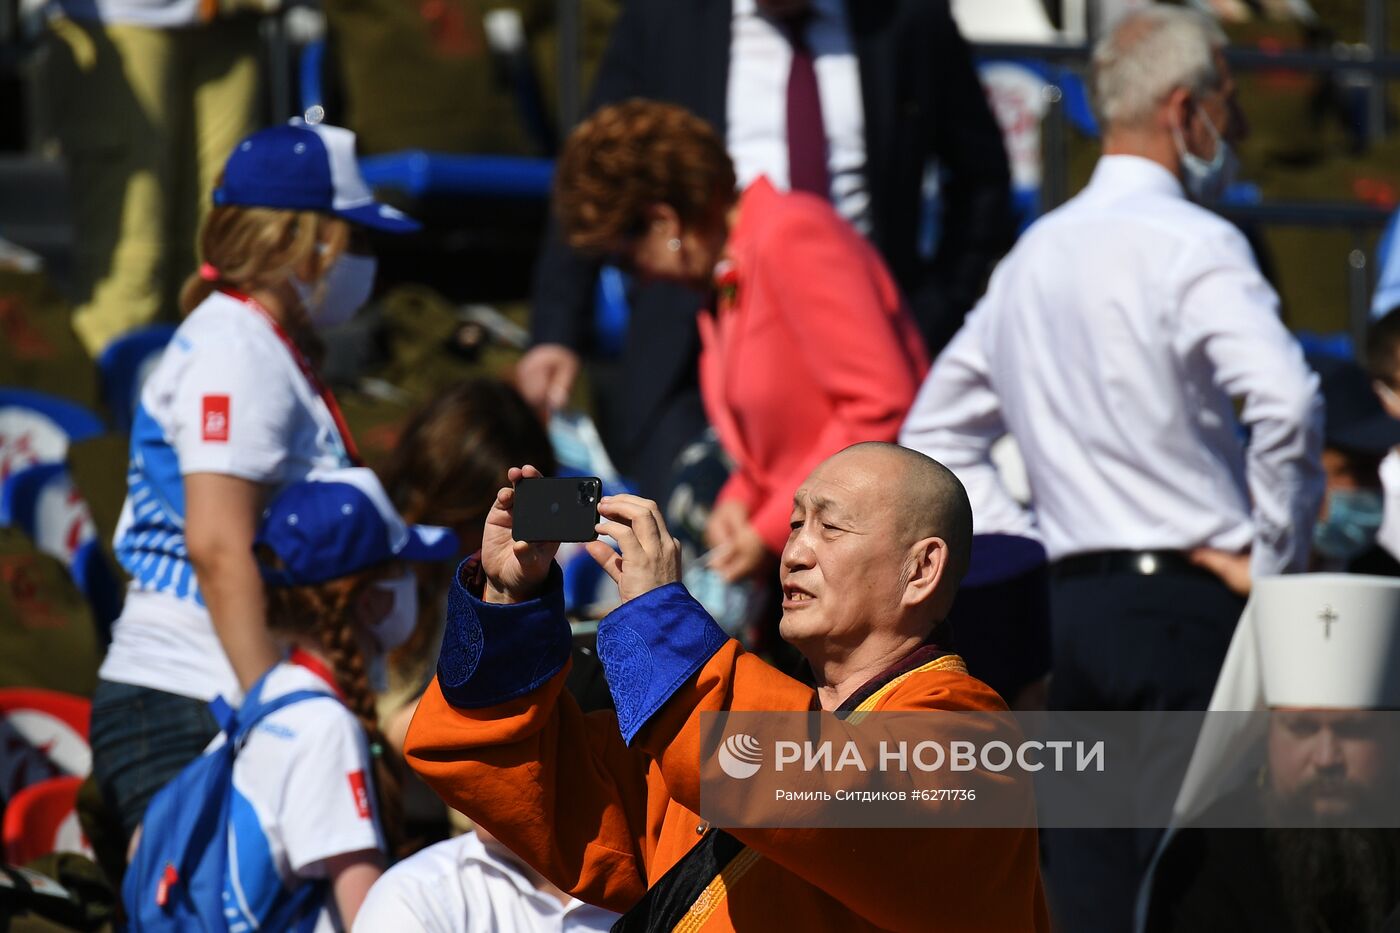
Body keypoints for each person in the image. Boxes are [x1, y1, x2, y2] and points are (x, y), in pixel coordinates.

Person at [898, 8, 1324, 929]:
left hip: (1069, 617)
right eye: (1229, 107)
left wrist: (1043, 534)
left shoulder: (1033, 254)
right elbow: (1288, 405)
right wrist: (1276, 569)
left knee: (1086, 894)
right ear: (1184, 110)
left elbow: (934, 431)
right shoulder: (1197, 243)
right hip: (1190, 610)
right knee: (1199, 889)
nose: (1237, 133)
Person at [405, 443, 1049, 931]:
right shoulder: (712, 746)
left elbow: (818, 790)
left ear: (922, 568)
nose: (794, 552)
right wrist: (509, 601)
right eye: (794, 525)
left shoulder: (971, 740)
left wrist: (658, 621)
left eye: (830, 527)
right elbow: (521, 775)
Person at [517, 0, 1013, 499]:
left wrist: (927, 313)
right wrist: (556, 331)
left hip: (855, 346)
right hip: (691, 346)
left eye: (629, 258)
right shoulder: (664, 15)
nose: (635, 270)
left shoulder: (907, 17)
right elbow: (596, 178)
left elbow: (982, 180)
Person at [89, 119, 421, 843]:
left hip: (216, 691)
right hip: (190, 698)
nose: (365, 262)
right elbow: (216, 544)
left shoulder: (260, 344)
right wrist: (275, 710)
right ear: (299, 239)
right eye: (353, 239)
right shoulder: (234, 348)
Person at [551, 100, 928, 583]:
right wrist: (739, 499)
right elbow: (774, 444)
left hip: (882, 568)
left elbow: (881, 403)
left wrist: (771, 528)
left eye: (627, 260)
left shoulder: (792, 234)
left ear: (664, 221)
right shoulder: (731, 276)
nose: (639, 279)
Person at [214, 467, 458, 928]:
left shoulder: (267, 695)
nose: (414, 582)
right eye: (402, 568)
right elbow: (369, 919)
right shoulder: (326, 729)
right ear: (369, 601)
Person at [1143, 574, 1400, 933]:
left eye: (1352, 730)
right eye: (1301, 729)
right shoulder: (1205, 859)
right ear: (1265, 733)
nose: (1326, 758)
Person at [42, 0, 264, 357]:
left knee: (224, 245)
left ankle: (211, 393)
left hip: (232, 21)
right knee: (132, 259)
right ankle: (114, 404)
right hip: (123, 19)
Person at [1308, 355, 1400, 574]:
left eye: (1376, 467)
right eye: (1354, 469)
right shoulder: (1220, 596)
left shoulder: (1385, 581)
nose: (1371, 488)